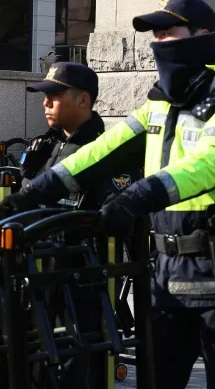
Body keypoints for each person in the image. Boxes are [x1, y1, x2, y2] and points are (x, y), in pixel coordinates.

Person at [1, 0, 215, 389]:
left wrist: (138, 196)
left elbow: (214, 160)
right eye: (157, 35)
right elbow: (102, 152)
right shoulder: (160, 103)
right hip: (170, 271)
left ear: (203, 36)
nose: (161, 42)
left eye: (169, 33)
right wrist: (32, 194)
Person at [19, 62, 136, 389]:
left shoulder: (105, 152)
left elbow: (112, 220)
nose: (45, 103)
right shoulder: (50, 146)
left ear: (83, 100)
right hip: (42, 274)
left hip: (81, 282)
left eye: (54, 96)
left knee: (77, 364)